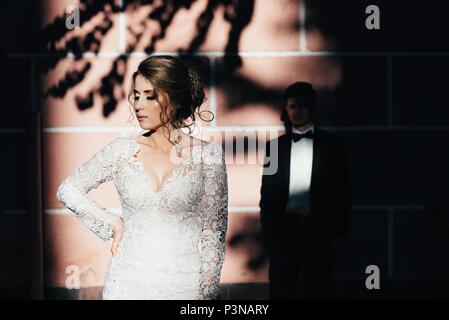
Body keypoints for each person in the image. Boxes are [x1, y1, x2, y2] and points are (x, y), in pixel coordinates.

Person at [56, 55, 228, 300]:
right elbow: (68, 189)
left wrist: (206, 297)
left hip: (184, 285)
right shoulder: (121, 151)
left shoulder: (207, 156)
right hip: (126, 283)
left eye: (150, 96)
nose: (138, 105)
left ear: (176, 99)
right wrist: (112, 223)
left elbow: (214, 235)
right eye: (136, 95)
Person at [259, 82, 352, 299]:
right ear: (286, 109)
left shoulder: (332, 145)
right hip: (284, 230)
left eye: (303, 106)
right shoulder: (274, 147)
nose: (297, 111)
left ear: (312, 108)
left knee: (318, 288)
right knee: (281, 289)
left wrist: (339, 232)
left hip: (319, 229)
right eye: (292, 106)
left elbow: (343, 191)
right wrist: (268, 234)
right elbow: (267, 193)